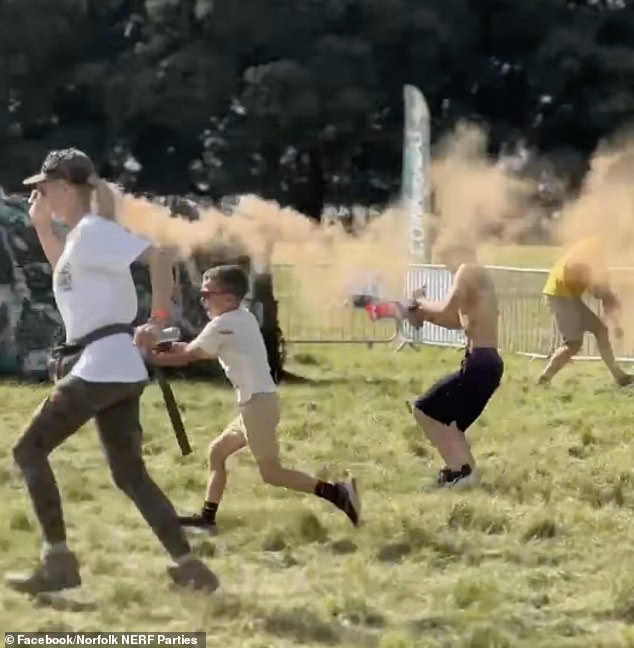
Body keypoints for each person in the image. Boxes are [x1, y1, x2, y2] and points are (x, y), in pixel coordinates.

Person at [5, 148, 219, 595]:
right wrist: (42, 225)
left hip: (102, 366)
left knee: (28, 451)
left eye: (44, 188)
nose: (38, 194)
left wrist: (159, 319)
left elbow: (160, 256)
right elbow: (65, 271)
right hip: (114, 368)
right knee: (129, 474)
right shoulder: (82, 239)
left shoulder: (96, 232)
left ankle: (58, 561)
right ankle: (190, 566)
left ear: (65, 188)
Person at [149, 264, 361, 531]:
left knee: (271, 473)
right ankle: (207, 518)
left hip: (256, 406)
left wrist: (152, 357)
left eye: (207, 294)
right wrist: (164, 349)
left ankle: (338, 493)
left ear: (228, 298)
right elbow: (192, 348)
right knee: (217, 452)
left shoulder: (223, 324)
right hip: (257, 403)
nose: (203, 300)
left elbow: (188, 356)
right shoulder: (241, 317)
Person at [402, 243, 504, 488]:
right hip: (484, 364)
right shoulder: (478, 279)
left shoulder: (468, 270)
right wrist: (422, 315)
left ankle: (460, 472)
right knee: (451, 424)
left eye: (446, 262)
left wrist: (420, 302)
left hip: (480, 364)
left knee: (424, 410)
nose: (448, 269)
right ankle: (461, 474)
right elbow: (455, 320)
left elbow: (447, 307)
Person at [538, 236, 632, 386]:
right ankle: (544, 379)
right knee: (573, 343)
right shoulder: (594, 253)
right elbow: (602, 293)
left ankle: (619, 376)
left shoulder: (594, 248)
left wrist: (615, 319)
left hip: (566, 295)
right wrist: (617, 322)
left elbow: (603, 292)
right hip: (561, 295)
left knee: (600, 331)